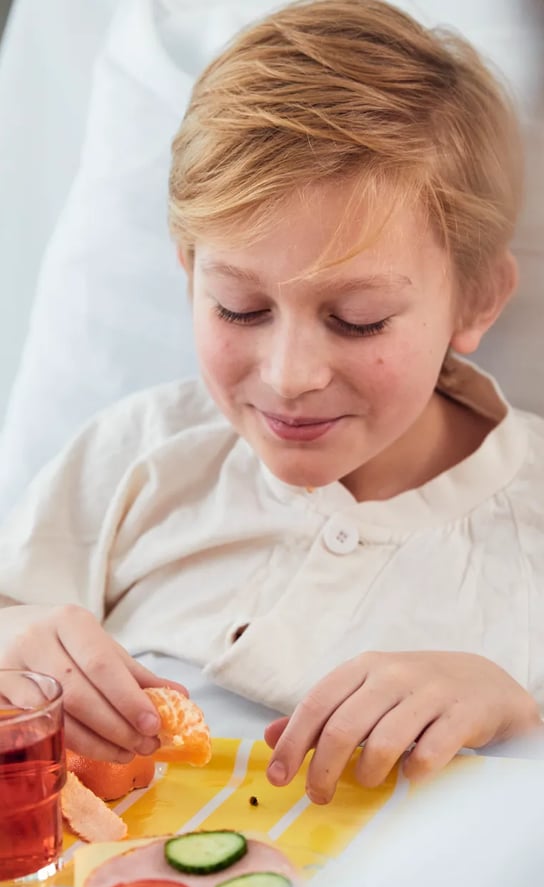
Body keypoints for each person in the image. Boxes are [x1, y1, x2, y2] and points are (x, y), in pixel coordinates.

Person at [0, 0, 542, 803]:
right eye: (239, 309)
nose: (289, 375)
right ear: (189, 274)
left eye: (357, 321)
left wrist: (514, 710)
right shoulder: (137, 458)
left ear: (476, 298)